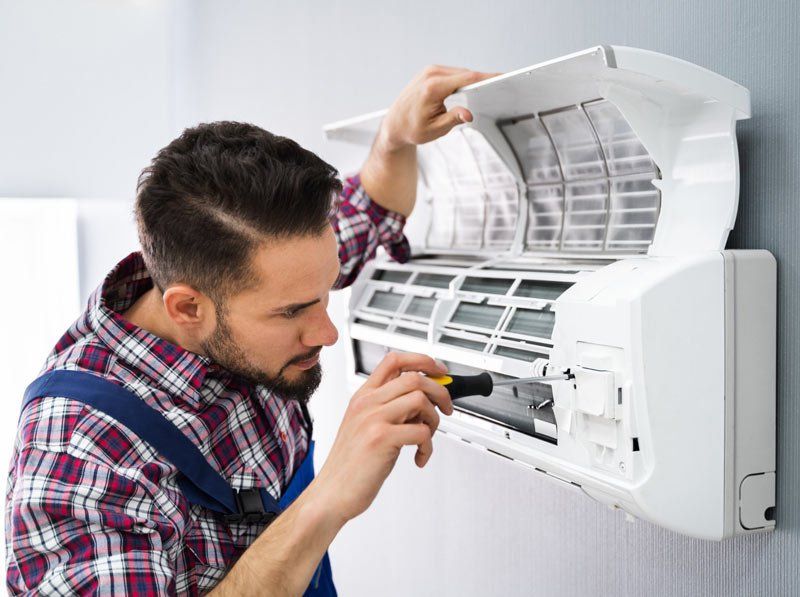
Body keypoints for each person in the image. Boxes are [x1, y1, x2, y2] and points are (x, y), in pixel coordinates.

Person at [5, 66, 494, 595]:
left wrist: (395, 139)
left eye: (326, 292)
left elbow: (374, 205)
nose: (327, 332)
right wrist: (328, 497)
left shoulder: (270, 269)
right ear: (188, 308)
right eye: (292, 313)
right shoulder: (78, 452)